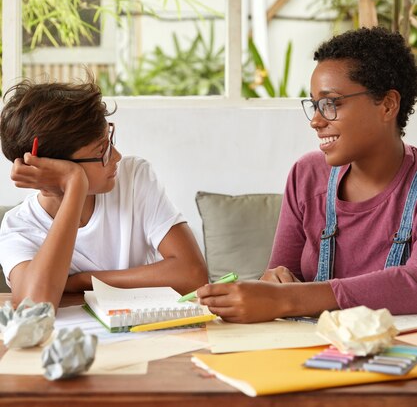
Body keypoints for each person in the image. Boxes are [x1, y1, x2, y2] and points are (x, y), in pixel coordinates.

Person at [197, 27, 417, 322]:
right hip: (312, 353)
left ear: (388, 105)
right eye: (314, 105)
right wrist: (274, 283)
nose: (315, 121)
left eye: (330, 103)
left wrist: (289, 299)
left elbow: (412, 284)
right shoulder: (307, 175)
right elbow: (280, 278)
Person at [0, 79, 207, 309]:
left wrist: (84, 280)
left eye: (109, 141)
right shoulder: (18, 227)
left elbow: (193, 274)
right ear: (52, 167)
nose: (116, 156)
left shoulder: (133, 178)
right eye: (102, 151)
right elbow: (34, 306)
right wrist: (74, 184)